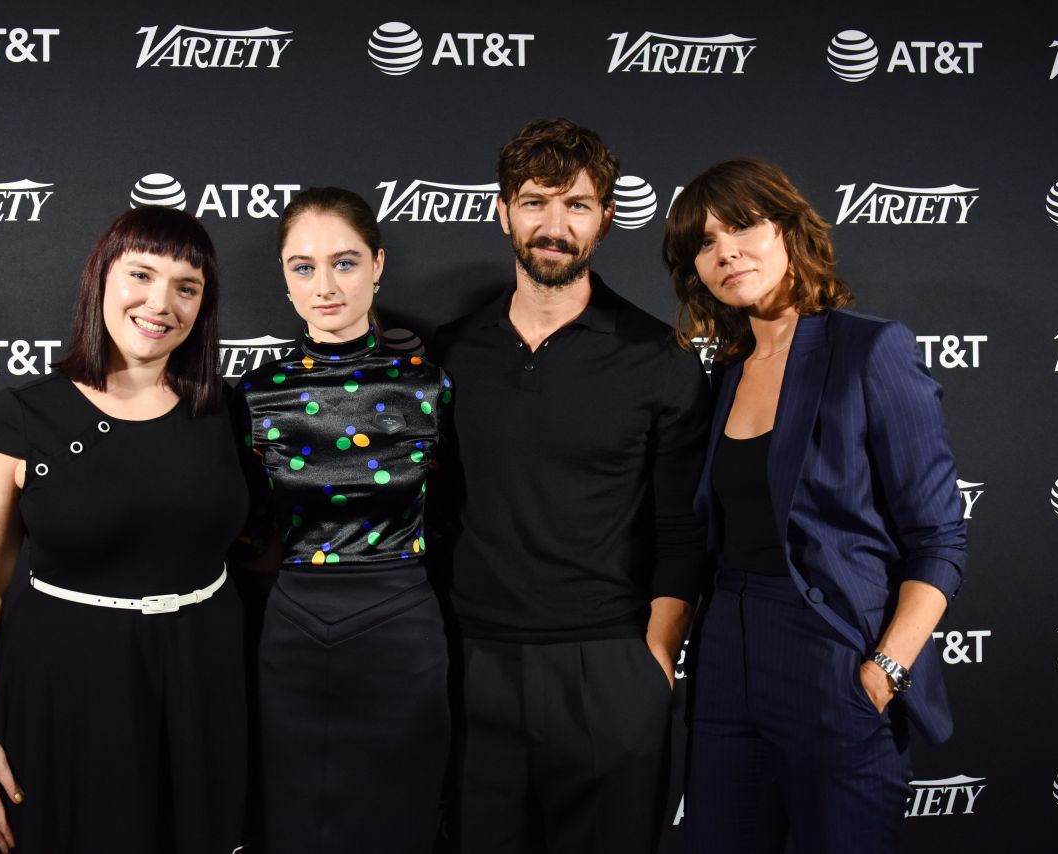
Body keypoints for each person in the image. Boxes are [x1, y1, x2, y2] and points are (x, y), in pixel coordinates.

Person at [663, 157, 967, 854]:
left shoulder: (869, 351)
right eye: (704, 244)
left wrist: (884, 669)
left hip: (834, 652)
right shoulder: (726, 373)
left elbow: (940, 539)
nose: (725, 251)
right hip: (725, 659)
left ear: (788, 228)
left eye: (740, 226)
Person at [430, 118, 711, 854]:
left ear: (607, 218)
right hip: (472, 663)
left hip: (608, 663)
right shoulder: (447, 353)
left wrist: (654, 657)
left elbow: (684, 527)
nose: (554, 226)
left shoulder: (660, 358)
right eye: (535, 203)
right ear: (502, 211)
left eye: (577, 205)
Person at [0, 208, 249, 853]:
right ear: (101, 280)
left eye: (186, 286)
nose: (159, 302)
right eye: (141, 274)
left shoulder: (230, 411)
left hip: (203, 685)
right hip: (64, 694)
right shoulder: (21, 417)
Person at [239, 186, 452, 853]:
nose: (324, 285)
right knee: (299, 821)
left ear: (378, 264)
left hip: (403, 624)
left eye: (345, 262)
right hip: (294, 630)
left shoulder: (431, 386)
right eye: (303, 266)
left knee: (403, 819)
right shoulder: (252, 393)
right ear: (284, 278)